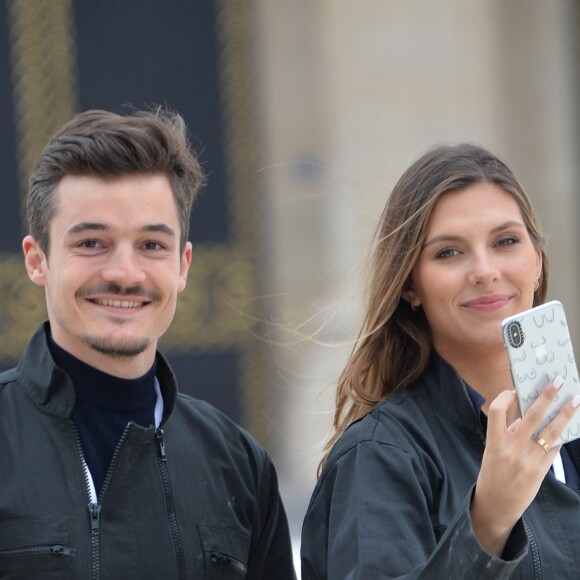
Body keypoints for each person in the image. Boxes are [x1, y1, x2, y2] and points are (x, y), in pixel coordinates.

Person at [0, 108, 296, 578]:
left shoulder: (238, 465)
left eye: (152, 245)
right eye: (92, 242)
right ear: (37, 261)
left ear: (182, 266)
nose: (124, 274)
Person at [301, 143, 580, 578]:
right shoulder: (380, 457)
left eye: (506, 241)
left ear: (537, 262)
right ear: (410, 286)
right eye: (449, 252)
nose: (484, 271)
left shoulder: (571, 430)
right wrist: (486, 524)